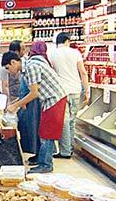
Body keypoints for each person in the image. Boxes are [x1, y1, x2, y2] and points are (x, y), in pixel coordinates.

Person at [4, 43, 68, 174]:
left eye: (8, 68)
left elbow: (34, 93)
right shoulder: (28, 66)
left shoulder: (31, 67)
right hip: (50, 100)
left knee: (47, 133)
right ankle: (42, 160)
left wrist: (15, 105)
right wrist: (18, 103)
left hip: (54, 99)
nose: (9, 72)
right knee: (43, 131)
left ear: (13, 62)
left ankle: (46, 164)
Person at [49, 32, 90, 159]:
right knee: (72, 120)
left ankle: (65, 150)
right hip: (75, 90)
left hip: (61, 91)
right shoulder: (75, 53)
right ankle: (69, 148)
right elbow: (83, 72)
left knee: (64, 121)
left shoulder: (52, 53)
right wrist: (87, 90)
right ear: (67, 41)